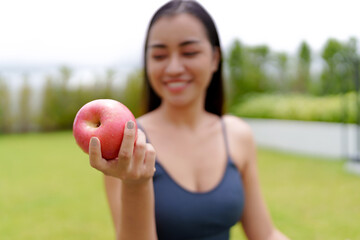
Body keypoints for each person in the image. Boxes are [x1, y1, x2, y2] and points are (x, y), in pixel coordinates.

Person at [89, 0, 289, 239]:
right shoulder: (128, 145)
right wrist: (135, 184)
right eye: (160, 55)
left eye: (190, 52)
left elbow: (264, 234)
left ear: (215, 58)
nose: (173, 68)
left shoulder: (238, 135)